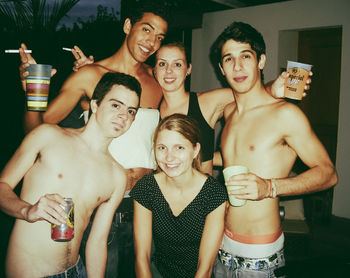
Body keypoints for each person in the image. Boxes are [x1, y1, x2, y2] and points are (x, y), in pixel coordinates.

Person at [18, 3, 168, 277]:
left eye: (159, 36)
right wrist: (33, 93)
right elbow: (36, 131)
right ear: (127, 26)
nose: (152, 41)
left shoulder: (157, 83)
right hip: (101, 209)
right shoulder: (90, 75)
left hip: (145, 209)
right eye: (147, 29)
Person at [210, 21, 338, 277]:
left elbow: (328, 173)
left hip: (259, 256)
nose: (237, 67)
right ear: (222, 68)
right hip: (220, 244)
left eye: (246, 56)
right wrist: (197, 159)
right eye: (228, 59)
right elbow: (235, 157)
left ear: (261, 61)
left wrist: (269, 187)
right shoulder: (228, 112)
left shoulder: (285, 115)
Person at [0, 72, 141, 277]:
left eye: (131, 111)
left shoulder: (117, 176)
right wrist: (27, 210)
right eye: (115, 105)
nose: (123, 115)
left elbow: (97, 241)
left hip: (77, 270)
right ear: (94, 105)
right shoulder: (48, 136)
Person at [154, 42, 312, 175]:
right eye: (162, 64)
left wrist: (271, 90)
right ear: (154, 70)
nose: (169, 70)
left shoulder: (206, 102)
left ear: (188, 69)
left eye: (177, 64)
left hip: (200, 203)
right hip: (162, 199)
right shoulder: (150, 110)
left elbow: (249, 92)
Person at [130, 113, 227, 278]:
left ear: (195, 150)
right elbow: (142, 258)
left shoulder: (213, 194)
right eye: (162, 148)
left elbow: (205, 268)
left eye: (179, 147)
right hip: (158, 272)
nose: (169, 157)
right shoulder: (146, 188)